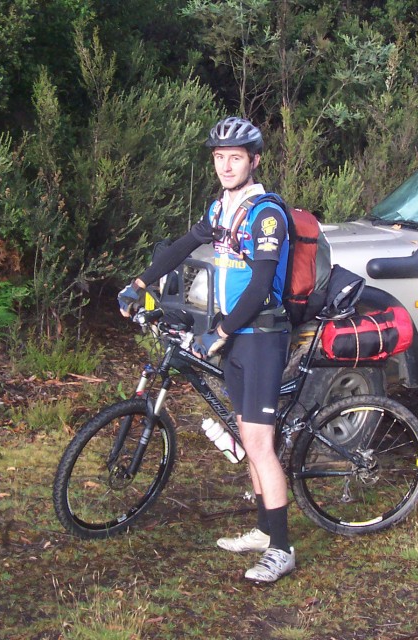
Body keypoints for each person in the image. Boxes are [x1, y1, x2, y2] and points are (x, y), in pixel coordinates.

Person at [118, 116, 295, 583]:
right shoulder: (221, 210)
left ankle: (282, 548)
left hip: (260, 336)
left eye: (236, 157)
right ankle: (263, 530)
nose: (226, 165)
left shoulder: (266, 214)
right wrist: (139, 283)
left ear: (254, 161)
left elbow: (260, 287)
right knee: (248, 436)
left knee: (258, 444)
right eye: (219, 157)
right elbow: (182, 247)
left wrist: (221, 331)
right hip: (236, 337)